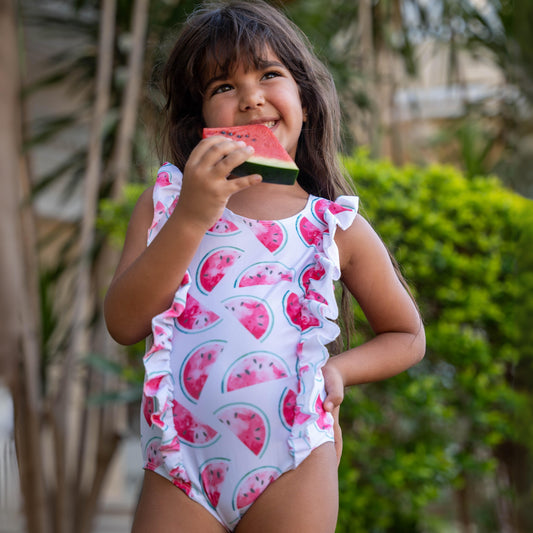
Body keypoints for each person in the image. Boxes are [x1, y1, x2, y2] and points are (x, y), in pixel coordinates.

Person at [104, 1, 425, 531]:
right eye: (222, 87)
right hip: (180, 467)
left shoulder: (332, 226)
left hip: (294, 458)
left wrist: (337, 371)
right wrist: (192, 217)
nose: (251, 97)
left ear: (305, 99)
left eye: (269, 75)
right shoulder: (166, 201)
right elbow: (123, 323)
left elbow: (407, 335)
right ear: (200, 119)